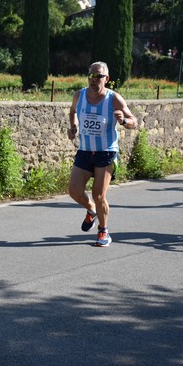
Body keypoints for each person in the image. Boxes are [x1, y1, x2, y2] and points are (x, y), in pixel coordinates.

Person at [67, 61, 138, 247]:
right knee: (73, 190)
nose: (93, 79)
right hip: (84, 150)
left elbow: (134, 121)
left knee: (99, 194)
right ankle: (91, 210)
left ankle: (103, 230)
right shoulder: (79, 95)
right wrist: (73, 126)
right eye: (91, 75)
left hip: (106, 152)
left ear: (106, 79)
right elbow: (72, 112)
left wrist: (124, 121)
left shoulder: (113, 98)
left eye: (98, 76)